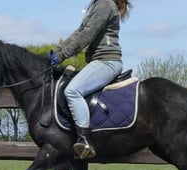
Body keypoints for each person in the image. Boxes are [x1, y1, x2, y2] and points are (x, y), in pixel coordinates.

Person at [51, 0, 132, 159]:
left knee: (73, 91)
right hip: (98, 61)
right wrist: (56, 51)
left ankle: (85, 140)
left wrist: (61, 56)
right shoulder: (96, 5)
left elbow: (88, 34)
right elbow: (79, 32)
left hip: (106, 61)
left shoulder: (105, 4)